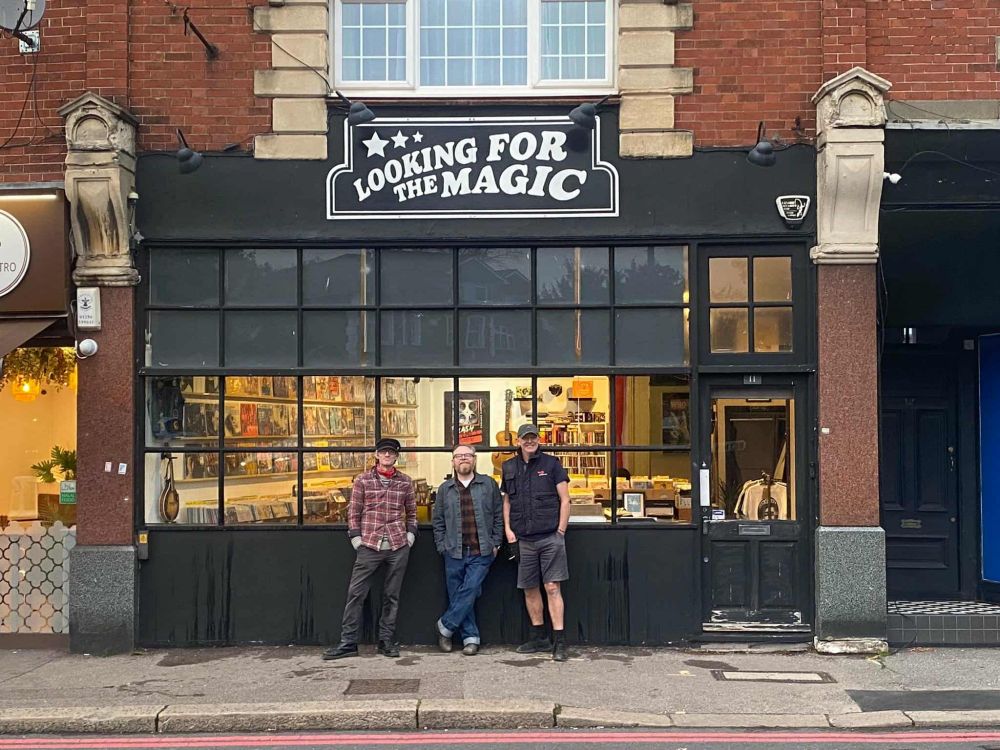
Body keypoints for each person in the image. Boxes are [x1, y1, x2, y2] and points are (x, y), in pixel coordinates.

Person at [323, 437, 417, 660]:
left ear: (396, 456)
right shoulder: (363, 480)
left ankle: (386, 641)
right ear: (376, 454)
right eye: (383, 452)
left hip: (397, 545)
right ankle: (348, 642)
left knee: (391, 595)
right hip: (369, 545)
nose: (387, 456)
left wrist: (410, 537)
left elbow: (412, 513)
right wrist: (357, 539)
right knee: (356, 594)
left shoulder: (405, 482)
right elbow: (353, 512)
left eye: (391, 453)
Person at [500, 423, 571, 662]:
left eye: (533, 438)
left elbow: (565, 499)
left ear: (538, 440)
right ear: (518, 441)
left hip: (550, 536)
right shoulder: (508, 467)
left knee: (552, 587)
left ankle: (559, 641)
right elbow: (507, 501)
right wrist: (508, 530)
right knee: (529, 588)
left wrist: (560, 530)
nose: (529, 442)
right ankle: (538, 637)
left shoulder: (552, 464)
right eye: (525, 438)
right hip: (523, 540)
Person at [433, 444, 504, 656]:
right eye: (459, 456)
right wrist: (441, 545)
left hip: (481, 551)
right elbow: (438, 521)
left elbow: (499, 516)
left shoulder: (488, 484)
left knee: (471, 588)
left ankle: (445, 626)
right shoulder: (445, 489)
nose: (463, 459)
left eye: (468, 455)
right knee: (459, 595)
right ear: (453, 462)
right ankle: (471, 639)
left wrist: (496, 542)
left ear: (474, 460)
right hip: (453, 551)